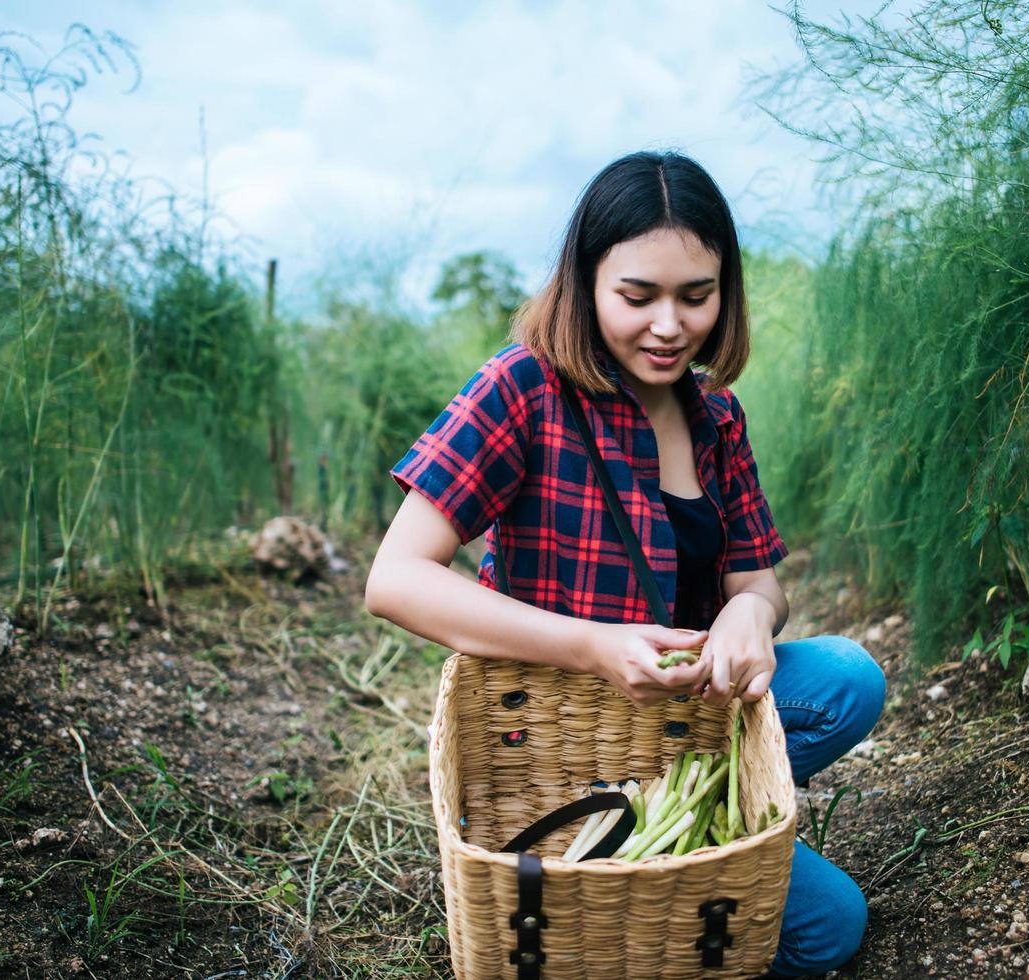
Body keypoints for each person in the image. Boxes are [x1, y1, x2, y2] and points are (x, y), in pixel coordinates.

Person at [365, 150, 885, 977]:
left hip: (684, 725)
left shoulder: (716, 415)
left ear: (726, 290)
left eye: (696, 296)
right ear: (585, 283)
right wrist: (591, 645)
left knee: (849, 682)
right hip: (561, 738)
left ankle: (655, 871)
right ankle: (618, 872)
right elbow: (394, 578)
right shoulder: (522, 388)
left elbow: (754, 580)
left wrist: (749, 614)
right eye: (637, 297)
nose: (670, 325)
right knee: (827, 925)